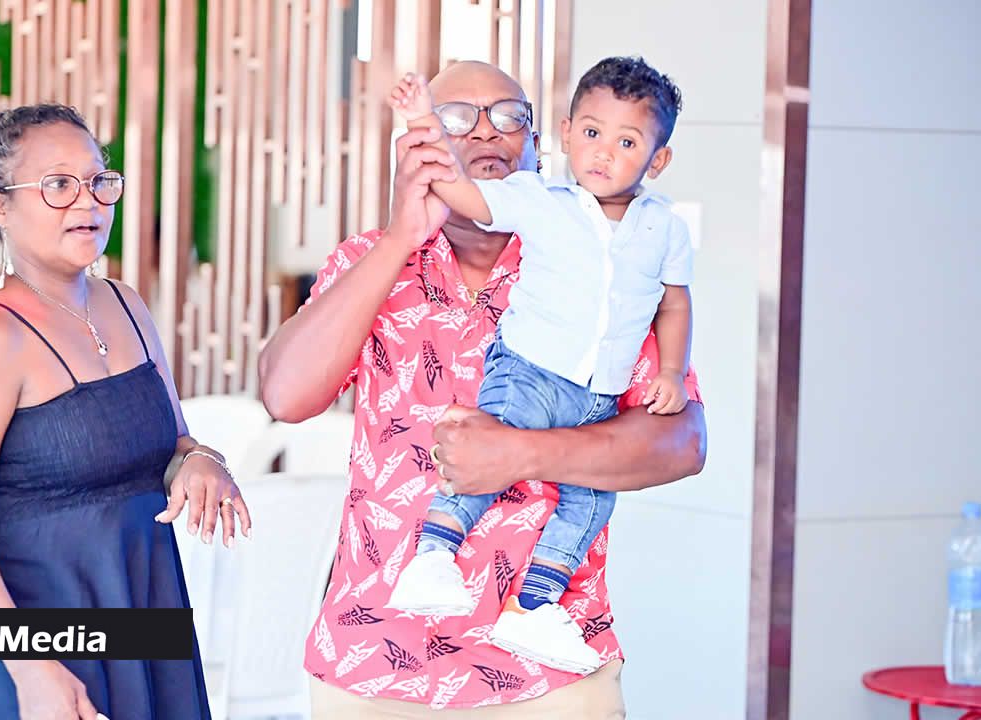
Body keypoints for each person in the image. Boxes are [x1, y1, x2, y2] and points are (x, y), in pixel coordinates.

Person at [258, 61, 706, 718]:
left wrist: (523, 454)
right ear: (417, 143)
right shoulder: (369, 261)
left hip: (547, 673)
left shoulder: (606, 263)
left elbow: (683, 441)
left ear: (537, 143)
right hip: (371, 659)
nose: (487, 134)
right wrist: (400, 238)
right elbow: (285, 396)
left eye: (509, 117)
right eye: (457, 119)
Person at [0, 103, 246, 720]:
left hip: (140, 603)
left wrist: (201, 461)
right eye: (58, 185)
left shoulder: (126, 305)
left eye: (100, 180)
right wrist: (32, 670)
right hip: (28, 631)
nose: (88, 201)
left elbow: (175, 443)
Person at [381, 56, 691, 675]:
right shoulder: (539, 199)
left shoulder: (664, 228)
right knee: (489, 456)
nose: (604, 152)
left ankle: (534, 606)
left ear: (657, 160)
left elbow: (675, 301)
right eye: (593, 133)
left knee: (592, 502)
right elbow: (464, 194)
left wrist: (672, 374)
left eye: (628, 142)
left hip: (597, 398)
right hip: (528, 370)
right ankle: (432, 558)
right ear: (567, 132)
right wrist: (423, 123)